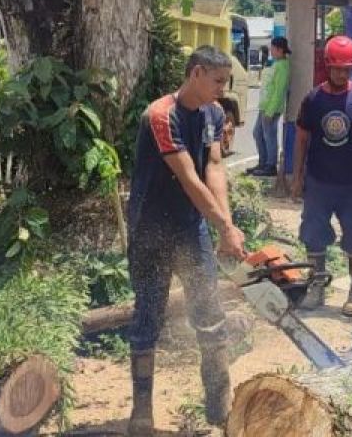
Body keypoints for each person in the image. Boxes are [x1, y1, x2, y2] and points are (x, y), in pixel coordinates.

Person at [125, 46, 249, 435]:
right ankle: (141, 411)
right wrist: (224, 228)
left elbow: (212, 167)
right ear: (196, 73)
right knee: (148, 315)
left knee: (209, 312)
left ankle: (218, 404)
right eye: (217, 81)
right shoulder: (160, 115)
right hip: (151, 229)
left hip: (189, 227)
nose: (222, 88)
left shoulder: (213, 113)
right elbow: (188, 178)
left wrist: (225, 223)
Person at [290, 35, 352, 317]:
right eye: (337, 69)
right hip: (319, 182)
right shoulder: (313, 99)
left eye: (347, 69)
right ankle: (317, 286)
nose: (342, 74)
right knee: (313, 233)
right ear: (327, 67)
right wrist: (296, 176)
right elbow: (302, 140)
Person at [248, 36, 291, 177]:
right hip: (264, 106)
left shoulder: (283, 66)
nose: (271, 51)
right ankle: (263, 162)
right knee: (258, 133)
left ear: (279, 49)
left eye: (273, 48)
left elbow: (279, 91)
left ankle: (270, 165)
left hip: (271, 108)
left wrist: (271, 111)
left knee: (269, 136)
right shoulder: (276, 63)